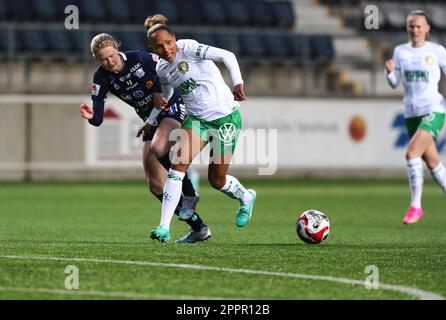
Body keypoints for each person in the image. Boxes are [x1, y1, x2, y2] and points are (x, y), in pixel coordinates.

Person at [80, 33, 211, 242]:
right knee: (156, 186)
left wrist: (162, 91)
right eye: (103, 59)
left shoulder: (139, 58)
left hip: (171, 105)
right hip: (150, 120)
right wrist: (91, 117)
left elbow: (168, 71)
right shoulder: (101, 77)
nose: (110, 62)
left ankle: (189, 194)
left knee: (158, 148)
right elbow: (98, 118)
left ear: (117, 49)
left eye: (112, 56)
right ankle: (198, 227)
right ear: (97, 59)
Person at [141, 14, 257, 243]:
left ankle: (246, 196)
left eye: (168, 42)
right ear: (152, 50)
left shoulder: (190, 48)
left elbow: (227, 55)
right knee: (177, 166)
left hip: (225, 119)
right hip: (197, 121)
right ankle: (164, 227)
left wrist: (237, 83)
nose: (166, 49)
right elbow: (165, 96)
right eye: (159, 46)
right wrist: (152, 119)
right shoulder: (163, 70)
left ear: (174, 39)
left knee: (217, 180)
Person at [385, 10, 446, 224]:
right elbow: (394, 82)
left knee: (412, 153)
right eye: (411, 26)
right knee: (433, 163)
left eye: (419, 26)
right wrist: (389, 72)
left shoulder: (437, 51)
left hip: (434, 110)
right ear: (407, 28)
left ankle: (415, 207)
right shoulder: (400, 51)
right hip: (411, 114)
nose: (415, 30)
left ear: (428, 28)